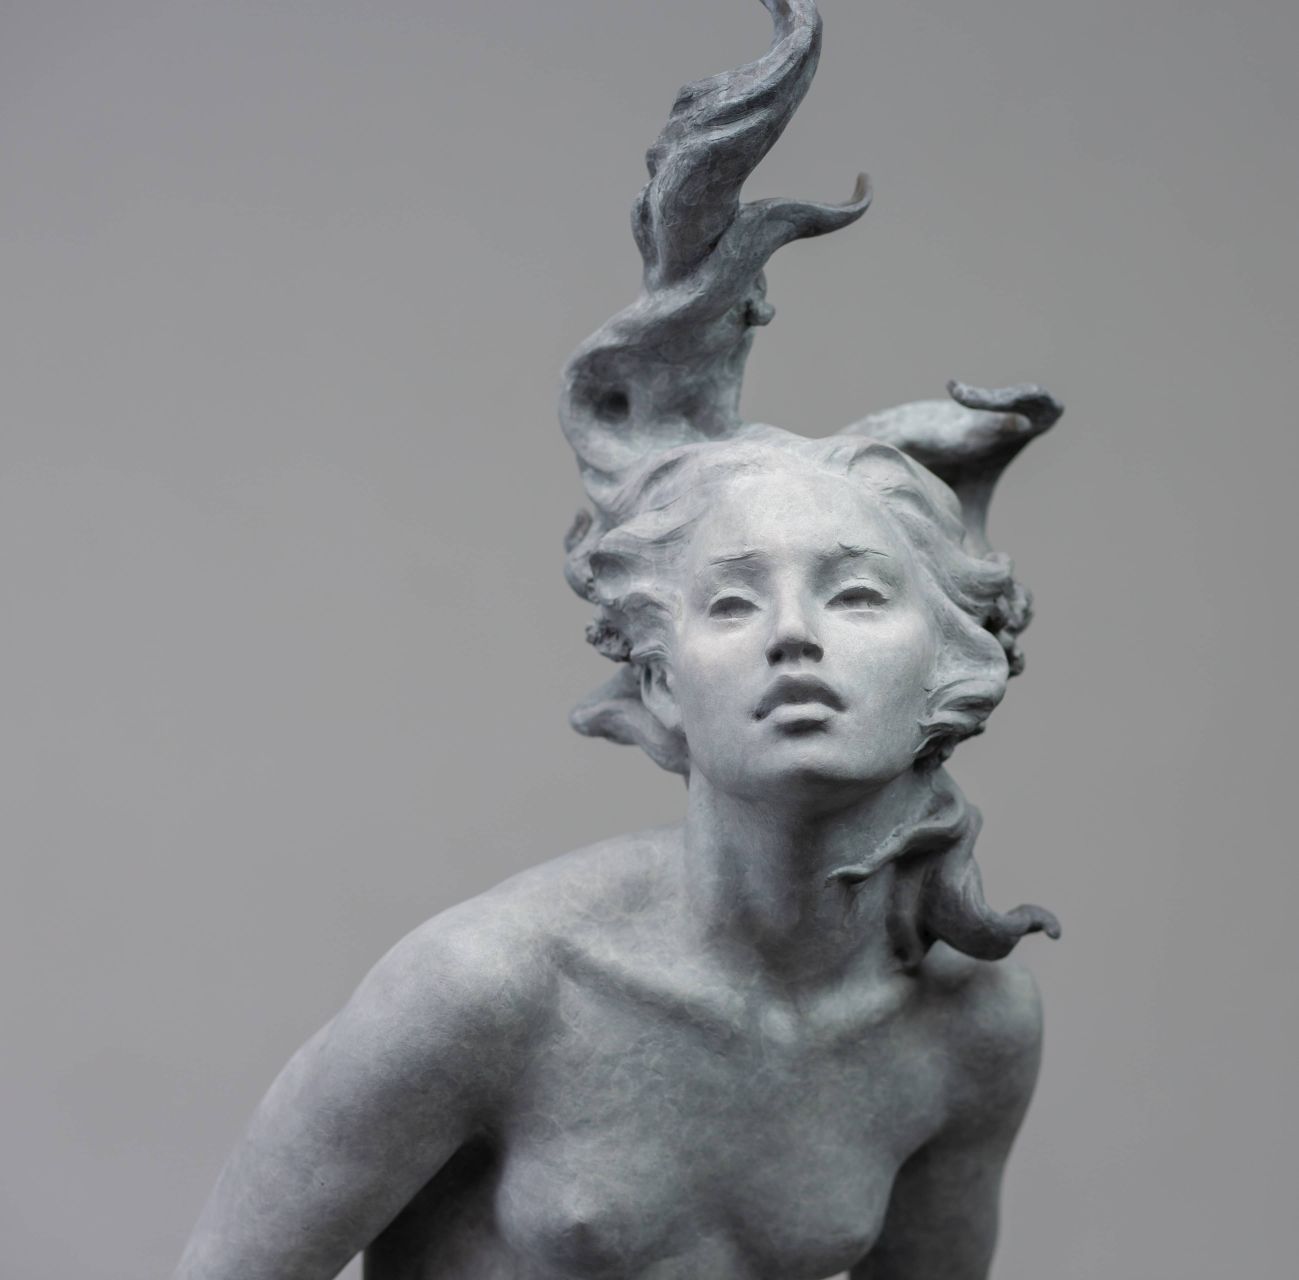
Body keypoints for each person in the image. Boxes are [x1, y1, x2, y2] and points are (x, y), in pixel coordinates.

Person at [176, 4, 1061, 1276]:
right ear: (659, 674)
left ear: (952, 657)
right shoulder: (494, 988)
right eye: (732, 602)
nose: (794, 638)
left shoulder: (968, 1023)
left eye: (858, 596)